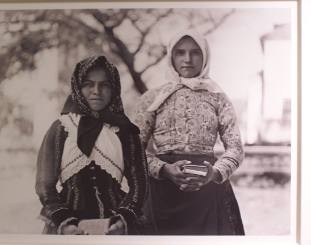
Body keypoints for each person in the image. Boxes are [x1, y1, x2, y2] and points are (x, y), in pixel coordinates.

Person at [133, 30, 245, 235]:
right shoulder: (153, 98)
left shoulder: (218, 98)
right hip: (162, 194)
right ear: (171, 56)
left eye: (195, 52)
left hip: (208, 192)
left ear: (205, 56)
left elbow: (236, 148)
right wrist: (164, 169)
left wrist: (214, 173)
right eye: (180, 52)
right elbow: (131, 149)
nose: (187, 59)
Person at [35, 55, 148, 235]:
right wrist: (64, 222)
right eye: (88, 84)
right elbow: (44, 185)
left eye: (104, 85)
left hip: (115, 223)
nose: (96, 91)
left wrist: (123, 219)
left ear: (114, 89)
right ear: (78, 88)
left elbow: (140, 182)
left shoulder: (126, 130)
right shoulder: (61, 128)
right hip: (68, 223)